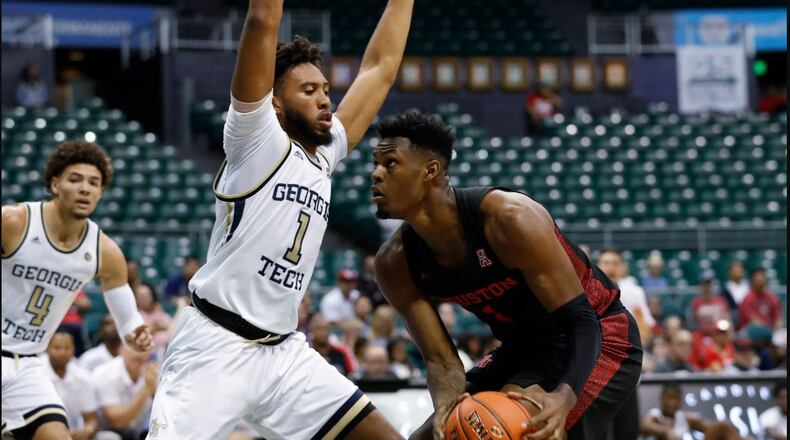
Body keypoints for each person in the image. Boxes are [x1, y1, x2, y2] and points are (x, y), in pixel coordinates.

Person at [147, 0, 414, 438]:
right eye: (308, 91)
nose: (326, 98)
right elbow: (262, 19)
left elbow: (381, 68)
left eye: (326, 88)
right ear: (273, 102)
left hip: (284, 353)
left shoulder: (325, 154)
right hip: (215, 345)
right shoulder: (255, 139)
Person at [371, 111, 642, 440]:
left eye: (390, 163)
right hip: (522, 348)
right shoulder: (394, 263)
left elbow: (580, 320)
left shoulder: (508, 218)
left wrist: (563, 397)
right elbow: (441, 360)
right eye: (376, 163)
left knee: (512, 430)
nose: (376, 174)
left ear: (431, 170)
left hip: (601, 336)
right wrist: (447, 407)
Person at [1, 140, 153, 440]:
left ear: (101, 192)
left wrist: (136, 331)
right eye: (75, 179)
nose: (85, 188)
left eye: (94, 183)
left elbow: (128, 321)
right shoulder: (14, 222)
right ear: (55, 184)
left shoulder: (104, 251)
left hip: (27, 364)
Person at [45, 330, 114, 440]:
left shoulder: (83, 377)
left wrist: (88, 429)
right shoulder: (36, 374)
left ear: (73, 350)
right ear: (47, 348)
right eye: (57, 348)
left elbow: (91, 418)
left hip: (75, 434)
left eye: (67, 348)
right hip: (43, 433)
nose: (62, 352)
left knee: (109, 437)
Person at [94, 346, 158, 440]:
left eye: (142, 348)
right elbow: (118, 422)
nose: (139, 353)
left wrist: (154, 391)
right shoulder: (105, 374)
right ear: (121, 350)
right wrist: (146, 389)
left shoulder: (153, 370)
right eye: (134, 347)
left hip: (138, 432)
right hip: (106, 432)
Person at [597, 249, 655, 345]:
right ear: (598, 267)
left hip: (627, 344)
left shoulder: (635, 292)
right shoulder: (589, 292)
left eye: (615, 263)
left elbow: (646, 326)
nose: (611, 267)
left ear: (623, 268)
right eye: (606, 263)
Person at [640, 385, 741, 440]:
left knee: (721, 426)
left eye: (676, 399)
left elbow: (710, 427)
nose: (672, 402)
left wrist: (730, 428)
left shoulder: (685, 418)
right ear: (662, 398)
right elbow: (645, 425)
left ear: (681, 401)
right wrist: (666, 431)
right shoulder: (655, 415)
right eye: (669, 398)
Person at [133, 283, 172, 352]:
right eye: (141, 295)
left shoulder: (159, 311)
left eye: (147, 294)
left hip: (169, 347)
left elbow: (172, 326)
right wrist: (157, 327)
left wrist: (157, 327)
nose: (145, 297)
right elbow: (141, 333)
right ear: (135, 298)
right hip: (151, 352)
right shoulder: (136, 315)